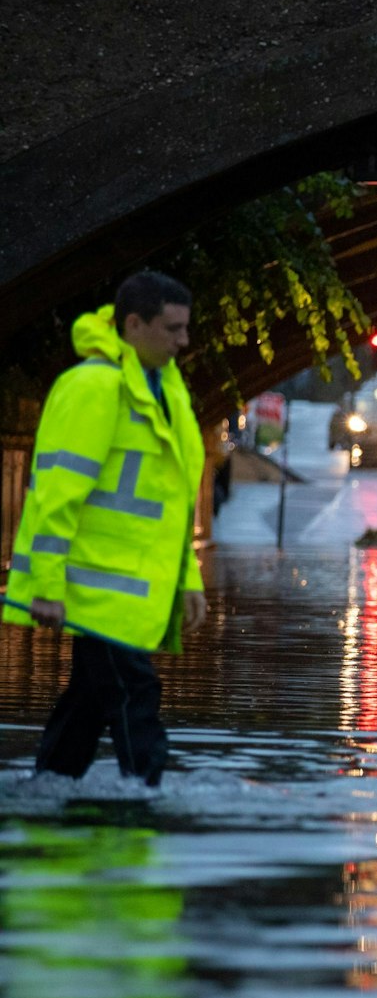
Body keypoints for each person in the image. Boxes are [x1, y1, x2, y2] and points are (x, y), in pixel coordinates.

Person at [3, 271, 209, 787]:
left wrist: (189, 582)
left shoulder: (163, 388)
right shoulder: (96, 387)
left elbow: (174, 502)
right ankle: (149, 796)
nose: (184, 342)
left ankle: (49, 788)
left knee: (91, 701)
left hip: (127, 590)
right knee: (134, 694)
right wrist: (47, 587)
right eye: (173, 329)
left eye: (186, 329)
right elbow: (57, 493)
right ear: (133, 324)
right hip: (93, 588)